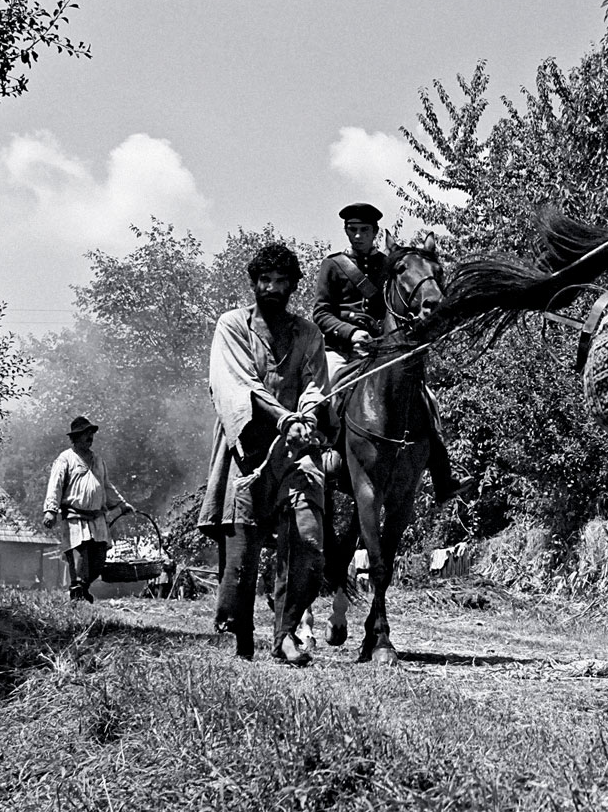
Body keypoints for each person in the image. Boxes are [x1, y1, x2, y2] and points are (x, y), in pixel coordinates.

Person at [198, 243, 329, 664]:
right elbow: (241, 386)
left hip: (293, 451)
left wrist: (305, 417)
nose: (272, 288)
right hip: (246, 448)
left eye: (281, 281)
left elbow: (315, 385)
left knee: (309, 536)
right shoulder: (231, 326)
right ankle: (238, 636)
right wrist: (283, 418)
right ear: (254, 283)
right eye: (264, 281)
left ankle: (286, 633)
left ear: (293, 286)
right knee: (240, 559)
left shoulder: (309, 334)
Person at [311, 202, 465, 503]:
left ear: (374, 232)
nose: (358, 236)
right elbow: (321, 312)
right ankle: (324, 457)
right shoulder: (332, 265)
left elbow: (399, 303)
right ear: (346, 231)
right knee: (324, 394)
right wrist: (350, 332)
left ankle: (443, 474)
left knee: (426, 399)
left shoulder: (389, 265)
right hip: (342, 350)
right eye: (352, 230)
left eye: (364, 230)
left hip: (381, 348)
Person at [42, 416, 133, 603]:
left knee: (98, 562)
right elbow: (55, 486)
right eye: (85, 433)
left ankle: (81, 590)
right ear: (75, 437)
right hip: (75, 519)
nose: (90, 437)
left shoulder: (98, 460)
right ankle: (78, 595)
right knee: (80, 560)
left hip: (97, 520)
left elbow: (106, 486)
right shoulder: (65, 459)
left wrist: (121, 504)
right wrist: (50, 510)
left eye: (91, 433)